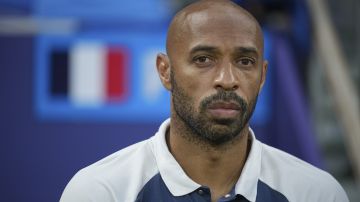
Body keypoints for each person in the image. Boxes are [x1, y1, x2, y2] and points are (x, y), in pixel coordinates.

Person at [60, 0, 349, 201]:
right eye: (203, 59)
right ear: (165, 71)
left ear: (262, 76)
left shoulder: (316, 194)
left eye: (245, 61)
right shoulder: (100, 192)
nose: (227, 78)